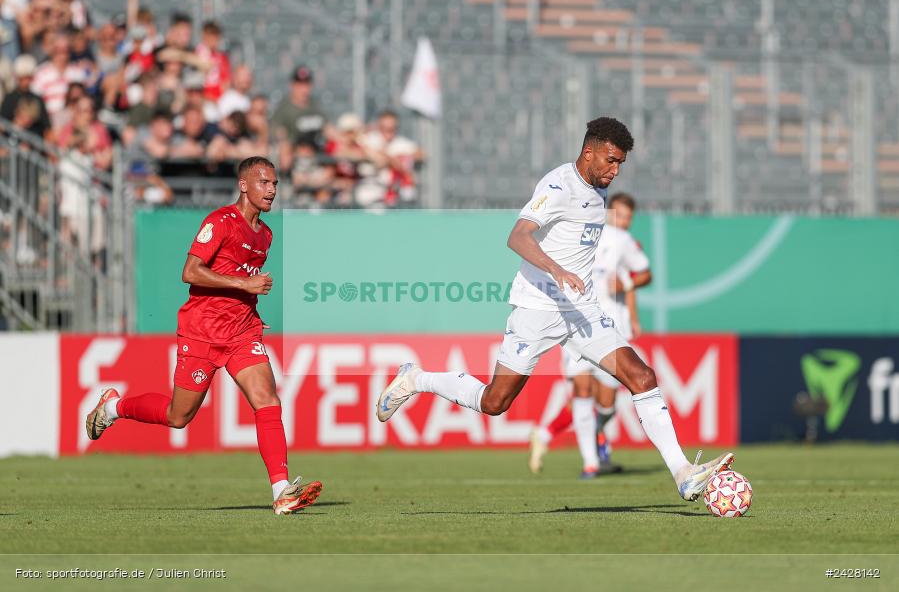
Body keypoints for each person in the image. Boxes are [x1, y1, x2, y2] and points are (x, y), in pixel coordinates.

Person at [377, 117, 733, 502]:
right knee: (495, 402)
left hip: (581, 310)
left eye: (620, 164)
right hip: (537, 308)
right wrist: (557, 269)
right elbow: (517, 236)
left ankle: (683, 473)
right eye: (611, 161)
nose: (615, 171)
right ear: (588, 153)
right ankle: (416, 379)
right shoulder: (558, 185)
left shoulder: (599, 191)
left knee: (641, 376)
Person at [85, 156, 323, 515]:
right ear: (244, 185)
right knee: (178, 417)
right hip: (202, 333)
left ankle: (281, 491)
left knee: (267, 400)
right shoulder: (220, 222)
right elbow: (191, 271)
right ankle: (113, 407)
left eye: (275, 183)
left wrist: (250, 307)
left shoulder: (265, 234)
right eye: (264, 183)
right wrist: (246, 284)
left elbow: (241, 284)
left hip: (242, 332)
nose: (272, 190)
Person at [529, 192, 652, 477]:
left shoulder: (620, 240)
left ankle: (559, 437)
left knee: (607, 402)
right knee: (581, 392)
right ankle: (591, 463)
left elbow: (642, 275)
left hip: (609, 328)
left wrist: (629, 304)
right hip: (574, 324)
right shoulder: (567, 234)